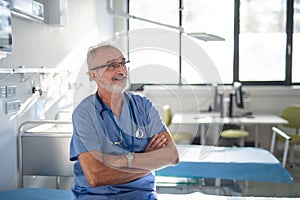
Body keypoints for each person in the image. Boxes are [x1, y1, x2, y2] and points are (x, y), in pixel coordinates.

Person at [70, 42, 179, 200]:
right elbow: (96, 176)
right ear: (94, 75)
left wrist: (124, 160)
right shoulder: (84, 113)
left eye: (122, 63)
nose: (121, 70)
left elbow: (172, 156)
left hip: (143, 196)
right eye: (111, 65)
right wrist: (149, 161)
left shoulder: (143, 106)